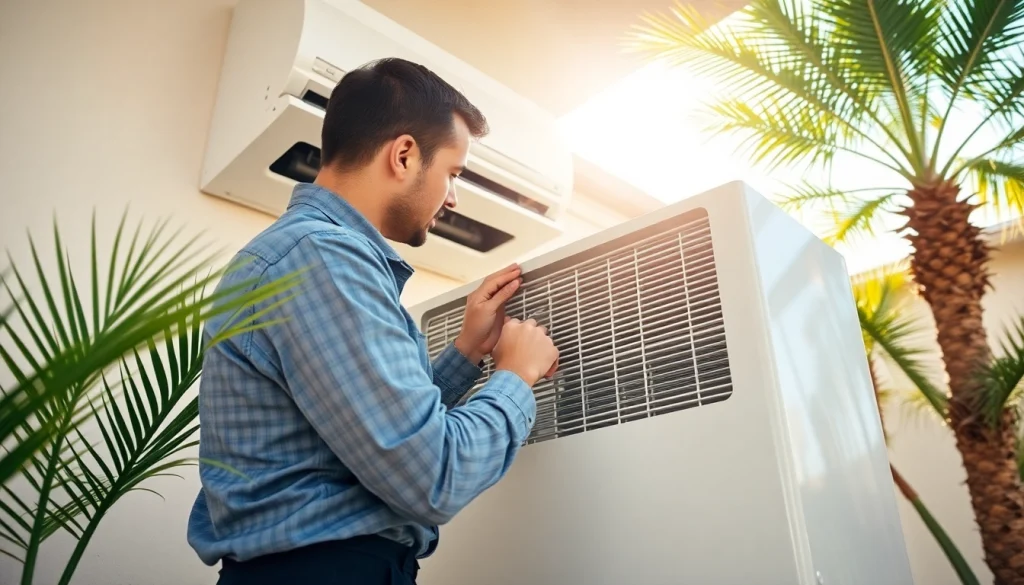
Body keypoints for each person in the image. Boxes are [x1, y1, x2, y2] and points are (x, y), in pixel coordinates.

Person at [186, 57, 560, 584]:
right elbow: (432, 476)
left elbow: (370, 438)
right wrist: (515, 377)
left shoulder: (309, 255)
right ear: (404, 154)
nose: (452, 197)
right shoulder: (323, 257)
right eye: (453, 173)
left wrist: (467, 354)